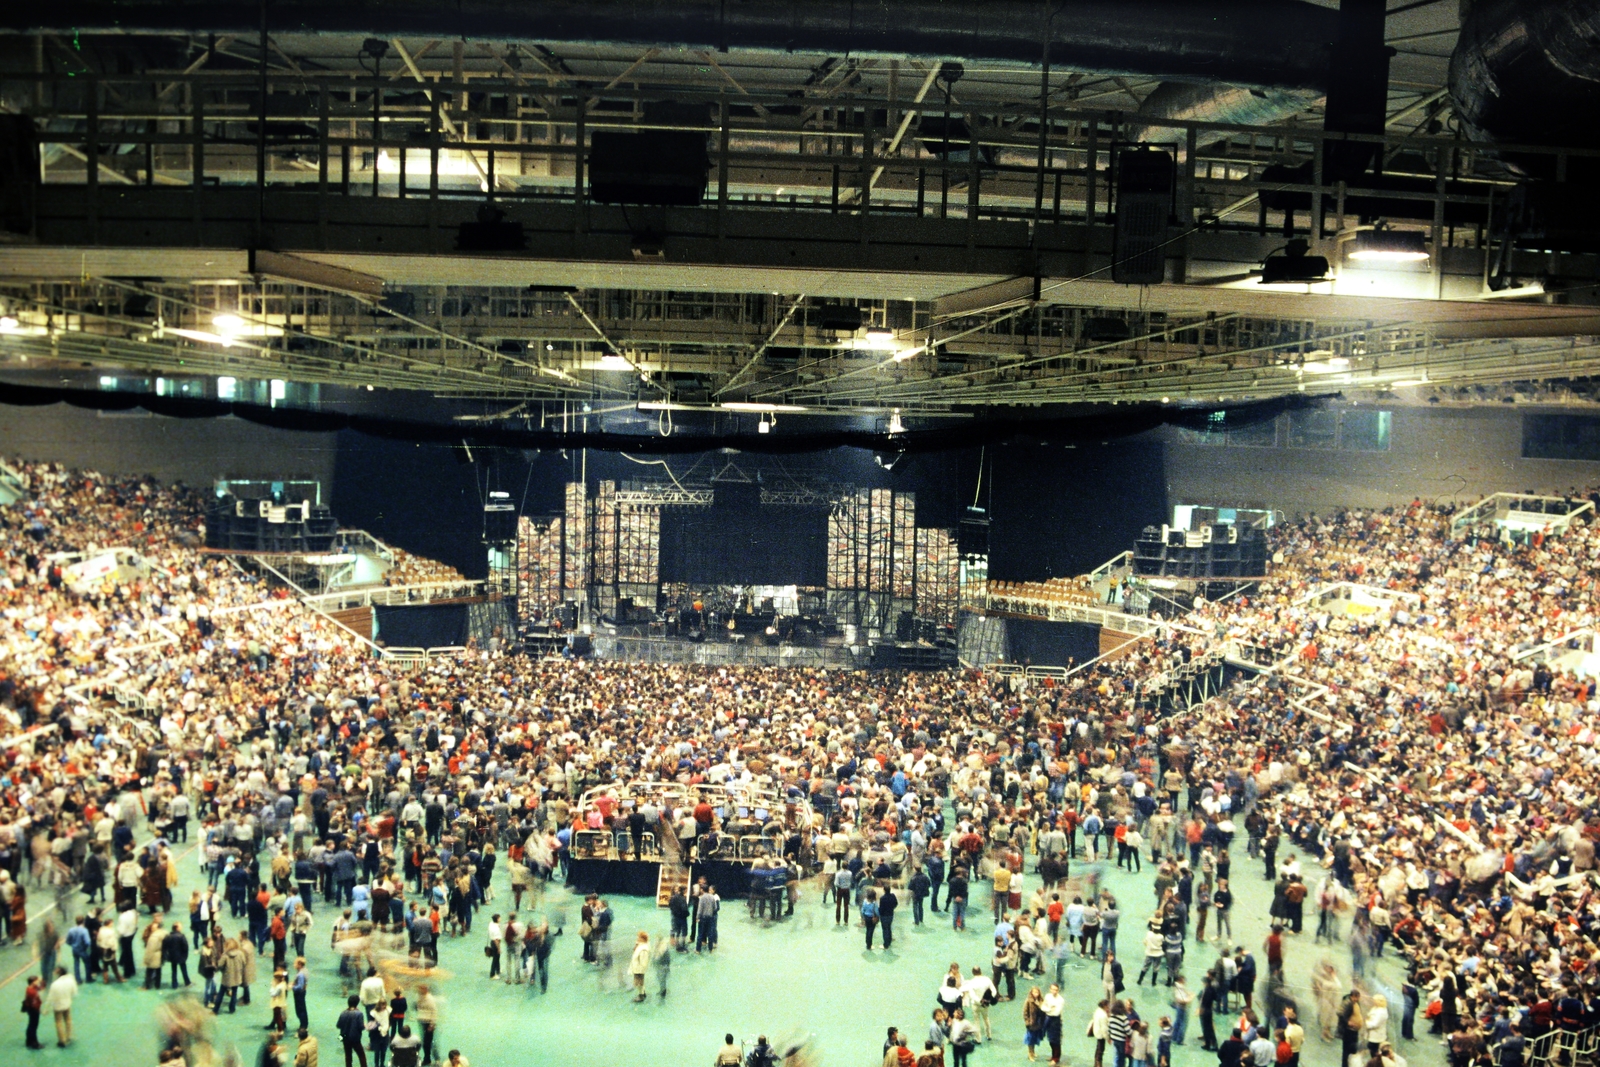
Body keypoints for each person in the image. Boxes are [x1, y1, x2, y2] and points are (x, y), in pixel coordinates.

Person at [46, 966, 76, 1048]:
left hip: (58, 1005)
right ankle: (69, 1036)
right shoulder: (71, 980)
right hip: (67, 1003)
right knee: (68, 1019)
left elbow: (50, 997)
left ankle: (61, 1040)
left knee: (58, 1022)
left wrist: (46, 1008)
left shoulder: (55, 984)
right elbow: (74, 992)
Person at [338, 995, 369, 1067]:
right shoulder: (359, 1014)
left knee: (348, 1055)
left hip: (344, 1037)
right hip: (355, 1038)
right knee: (361, 1055)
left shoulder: (343, 1013)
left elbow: (338, 1025)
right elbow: (361, 1027)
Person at [22, 974, 44, 1050]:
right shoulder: (32, 992)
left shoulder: (31, 988)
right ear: (33, 982)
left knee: (31, 1025)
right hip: (33, 1010)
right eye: (36, 980)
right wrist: (39, 1009)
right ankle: (34, 1043)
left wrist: (42, 981)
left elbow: (41, 987)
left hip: (31, 1009)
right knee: (33, 1026)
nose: (38, 981)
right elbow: (34, 1003)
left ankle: (29, 1041)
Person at [629, 932, 651, 1002]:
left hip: (639, 969)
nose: (637, 939)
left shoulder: (643, 949)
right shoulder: (640, 946)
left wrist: (641, 969)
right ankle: (642, 993)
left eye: (639, 937)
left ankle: (641, 995)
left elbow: (643, 962)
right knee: (639, 983)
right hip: (637, 968)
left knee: (639, 983)